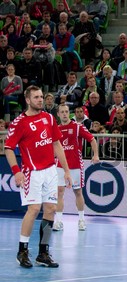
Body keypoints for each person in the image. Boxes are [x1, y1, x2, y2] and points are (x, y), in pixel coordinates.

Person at [4, 85, 73, 268]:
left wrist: (66, 170)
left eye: (41, 96)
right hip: (31, 172)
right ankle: (22, 250)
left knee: (51, 209)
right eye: (36, 97)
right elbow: (8, 148)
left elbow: (57, 145)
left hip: (50, 170)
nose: (40, 100)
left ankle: (43, 252)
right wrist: (16, 171)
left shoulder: (49, 118)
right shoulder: (19, 122)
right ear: (27, 100)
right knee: (33, 209)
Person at [54, 104, 99, 231]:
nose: (64, 114)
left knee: (78, 192)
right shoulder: (56, 129)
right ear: (58, 114)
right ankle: (58, 221)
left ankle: (81, 220)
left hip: (75, 166)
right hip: (60, 166)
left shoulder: (77, 127)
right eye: (62, 112)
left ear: (69, 113)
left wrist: (95, 155)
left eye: (66, 112)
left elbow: (92, 139)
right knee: (59, 193)